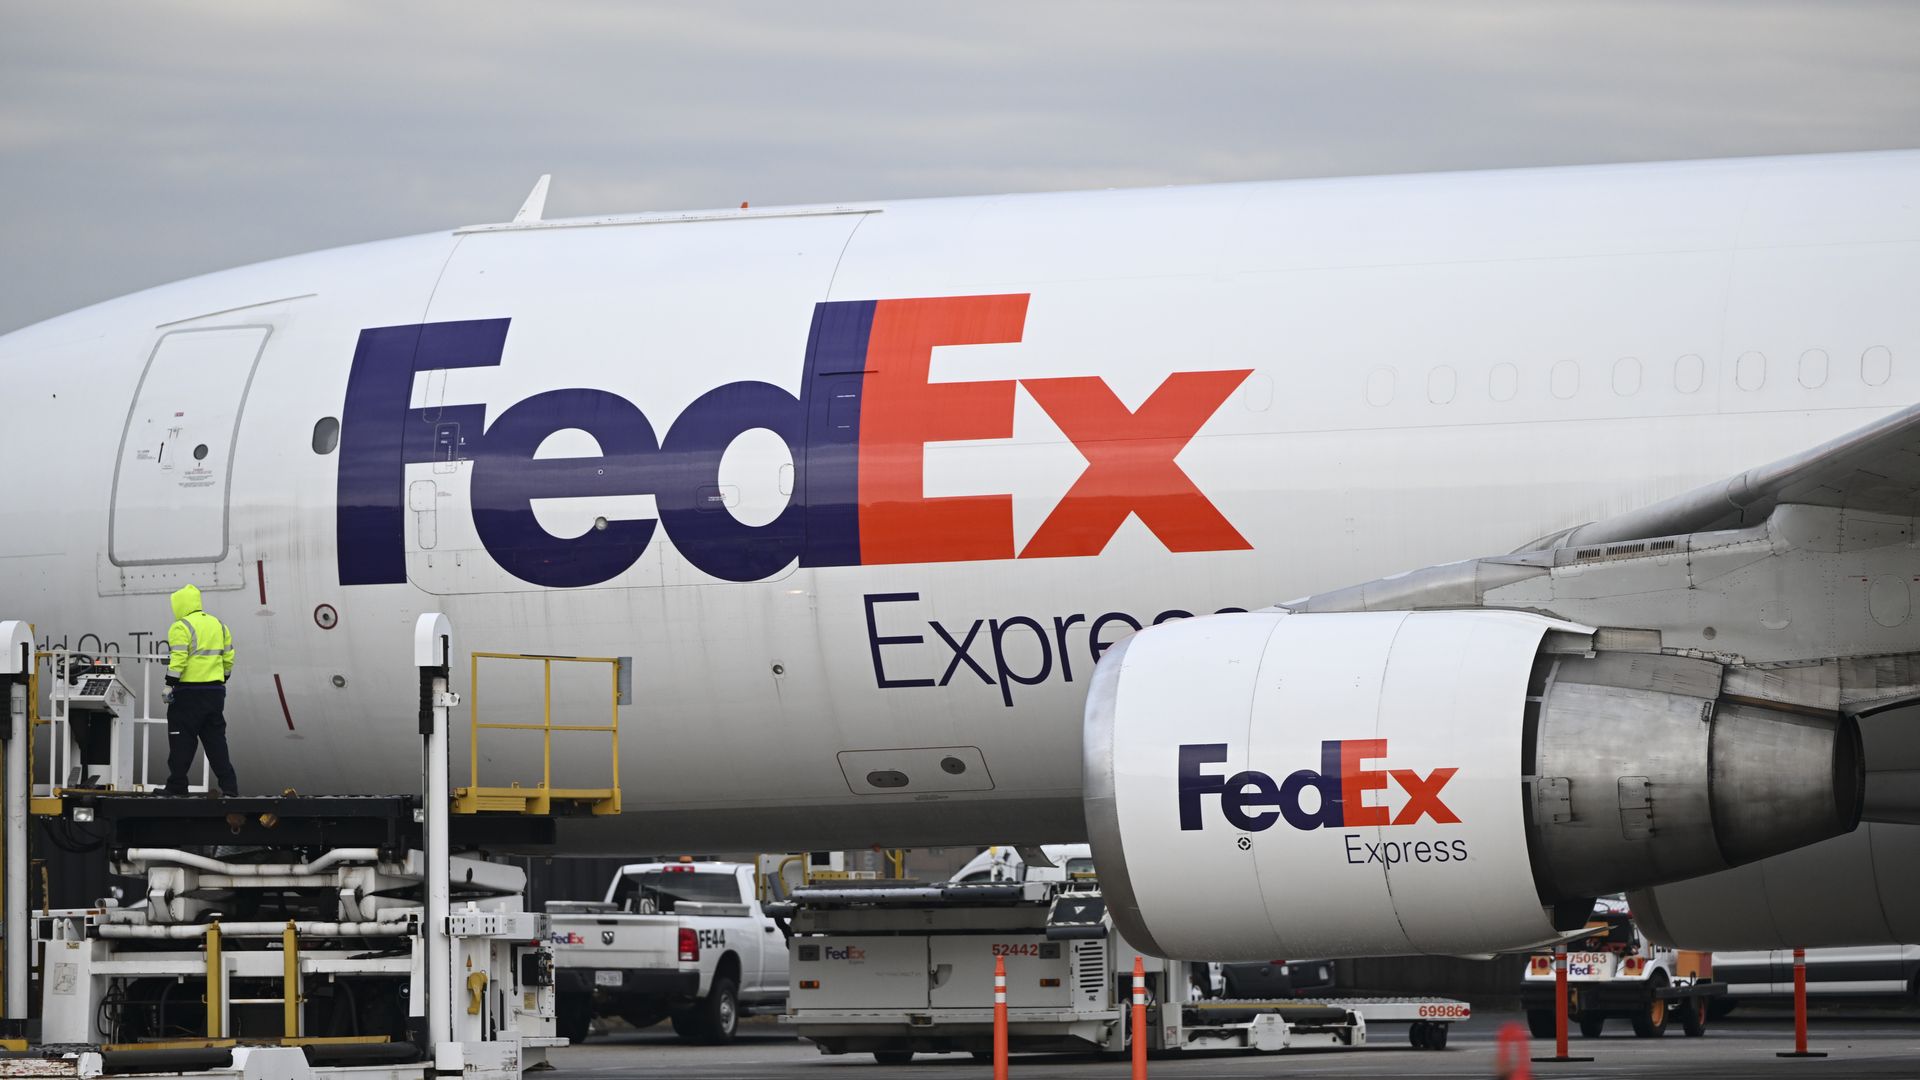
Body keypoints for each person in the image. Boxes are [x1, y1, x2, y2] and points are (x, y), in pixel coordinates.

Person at [162, 584, 238, 796]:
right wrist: (221, 679)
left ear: (179, 604)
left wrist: (169, 684)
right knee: (216, 742)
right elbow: (229, 657)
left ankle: (177, 786)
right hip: (214, 692)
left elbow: (179, 659)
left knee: (181, 741)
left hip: (188, 693)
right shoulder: (218, 625)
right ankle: (230, 788)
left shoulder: (180, 627)